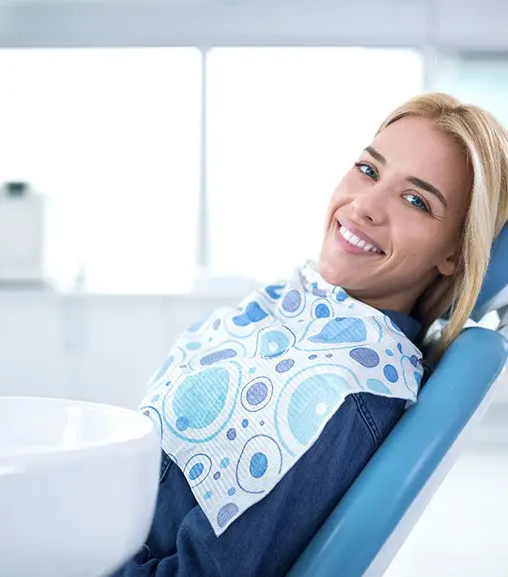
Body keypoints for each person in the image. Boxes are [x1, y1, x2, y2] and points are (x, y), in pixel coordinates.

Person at [112, 93, 508, 577]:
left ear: (454, 254)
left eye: (415, 200)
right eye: (368, 170)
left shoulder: (339, 393)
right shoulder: (295, 306)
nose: (365, 206)